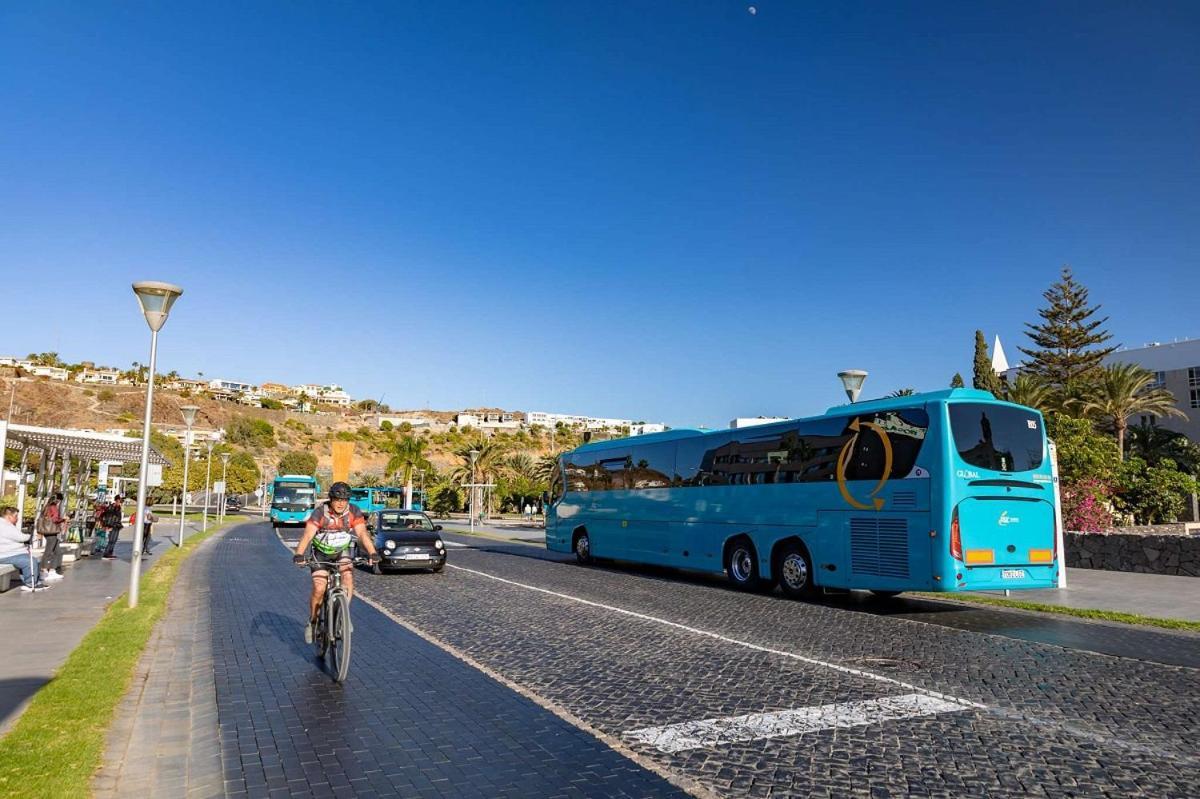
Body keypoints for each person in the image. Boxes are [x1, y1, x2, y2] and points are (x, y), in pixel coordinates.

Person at [292, 482, 379, 644]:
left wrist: (372, 553)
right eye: (337, 499)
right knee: (319, 587)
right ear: (331, 499)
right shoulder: (320, 513)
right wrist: (299, 554)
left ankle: (343, 615)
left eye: (344, 500)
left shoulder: (353, 511)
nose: (341, 503)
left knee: (348, 577)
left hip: (342, 551)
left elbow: (362, 534)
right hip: (321, 553)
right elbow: (308, 535)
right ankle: (313, 621)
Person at [0, 506, 48, 592]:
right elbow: (21, 537)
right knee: (29, 561)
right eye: (16, 516)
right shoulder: (4, 525)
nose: (17, 519)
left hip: (10, 553)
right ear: (9, 516)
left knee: (34, 559)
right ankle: (31, 584)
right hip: (5, 555)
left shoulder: (6, 525)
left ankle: (34, 581)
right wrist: (31, 536)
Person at [37, 493, 66, 581]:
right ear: (58, 500)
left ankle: (52, 570)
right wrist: (63, 519)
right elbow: (55, 519)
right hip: (51, 532)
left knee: (58, 551)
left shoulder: (47, 506)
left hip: (48, 531)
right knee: (49, 551)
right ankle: (44, 571)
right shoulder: (53, 507)